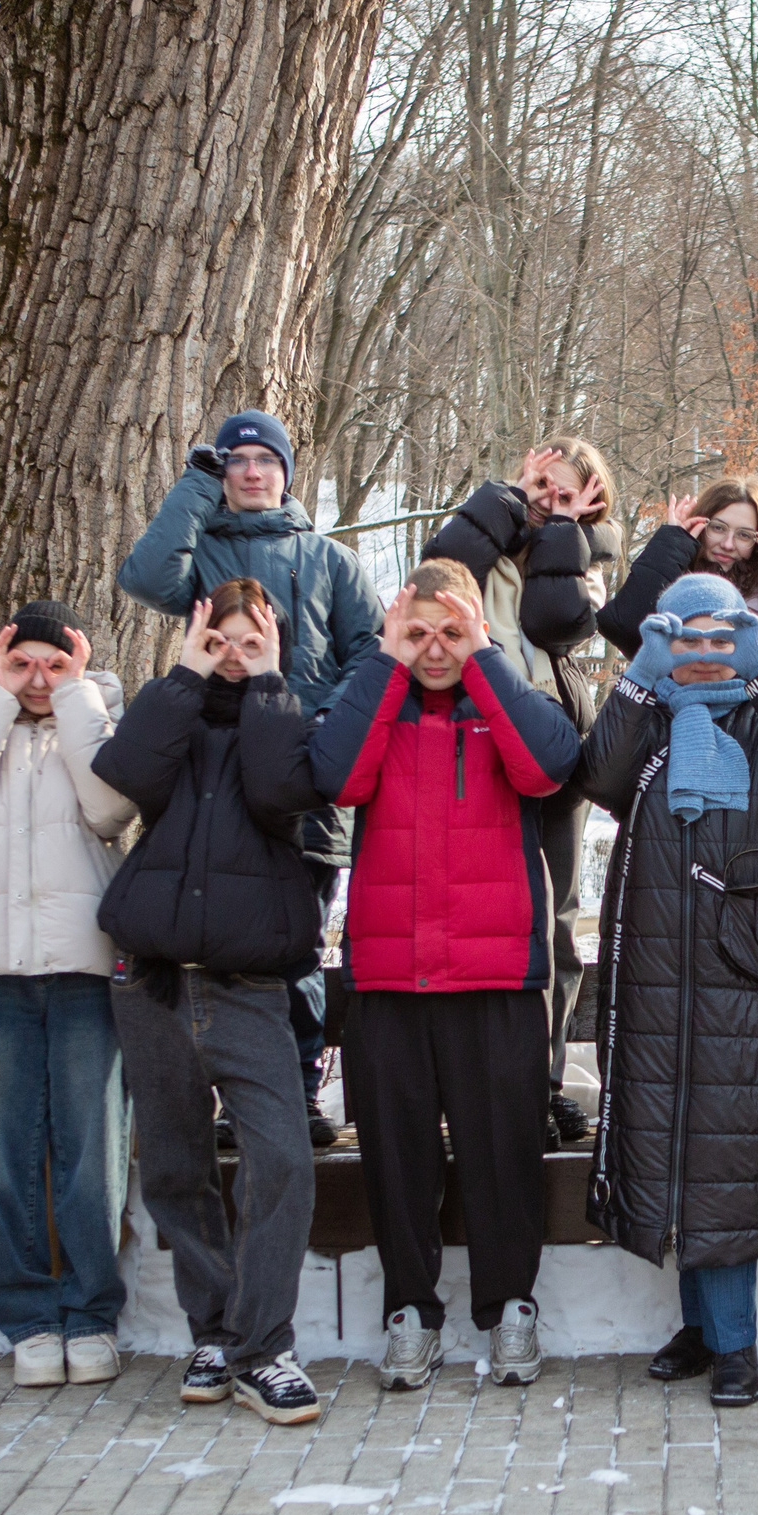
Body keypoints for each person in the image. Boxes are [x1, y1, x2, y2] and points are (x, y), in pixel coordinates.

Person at [303, 559, 581, 1392]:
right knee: (398, 1158)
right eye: (417, 633)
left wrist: (487, 660)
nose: (434, 649)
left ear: (477, 633)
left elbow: (548, 765)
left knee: (504, 1156)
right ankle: (411, 1313)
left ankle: (509, 1310)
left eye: (449, 633)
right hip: (391, 980)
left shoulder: (502, 700)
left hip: (495, 977)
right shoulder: (375, 700)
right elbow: (337, 775)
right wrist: (382, 665)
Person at [580, 574, 758, 1408]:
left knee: (728, 1150)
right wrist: (635, 677)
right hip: (660, 962)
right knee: (677, 1140)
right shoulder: (649, 714)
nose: (700, 651)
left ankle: (737, 1347)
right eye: (682, 636)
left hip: (749, 968)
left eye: (716, 634)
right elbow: (599, 774)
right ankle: (703, 1329)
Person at [93, 577, 328, 1424]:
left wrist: (267, 681)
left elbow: (278, 795)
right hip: (152, 979)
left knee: (283, 1159)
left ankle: (265, 1346)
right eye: (217, 640)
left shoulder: (289, 717)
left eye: (247, 640)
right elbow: (121, 777)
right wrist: (185, 677)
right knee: (175, 1163)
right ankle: (213, 1330)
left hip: (248, 986)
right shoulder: (171, 713)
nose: (232, 654)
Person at [118, 411, 383, 1145]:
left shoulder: (330, 559)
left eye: (268, 459)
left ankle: (294, 1090)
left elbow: (370, 650)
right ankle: (207, 1097)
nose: (253, 471)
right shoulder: (198, 555)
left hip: (302, 779)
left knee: (295, 940)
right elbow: (143, 578)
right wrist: (195, 486)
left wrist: (322, 719)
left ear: (288, 473)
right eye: (236, 460)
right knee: (209, 938)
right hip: (211, 784)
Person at [0, 600, 135, 1390]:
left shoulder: (98, 720)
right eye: (25, 663)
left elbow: (112, 808)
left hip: (84, 966)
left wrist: (79, 699)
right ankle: (26, 1313)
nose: (40, 679)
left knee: (91, 1152)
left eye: (54, 664)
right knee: (2, 1153)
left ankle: (91, 1310)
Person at [424, 440, 620, 1153]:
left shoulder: (591, 556)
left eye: (563, 491)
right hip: (476, 738)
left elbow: (554, 620)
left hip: (550, 738)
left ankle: (543, 1079)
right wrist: (502, 500)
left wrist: (564, 531)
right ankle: (489, 1084)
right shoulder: (485, 529)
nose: (544, 497)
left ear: (591, 500)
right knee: (488, 915)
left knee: (556, 921)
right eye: (538, 482)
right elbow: (438, 573)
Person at [598, 475, 758, 681]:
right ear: (700, 525)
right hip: (673, 723)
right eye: (718, 528)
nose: (728, 544)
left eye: (744, 535)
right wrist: (669, 546)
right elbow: (624, 628)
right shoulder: (671, 580)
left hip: (754, 729)